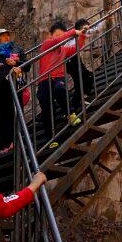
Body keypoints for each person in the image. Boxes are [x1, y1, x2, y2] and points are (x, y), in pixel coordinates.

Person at [37, 21, 84, 149]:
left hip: (58, 78)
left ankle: (70, 113)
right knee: (46, 108)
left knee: (59, 88)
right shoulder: (46, 44)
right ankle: (50, 138)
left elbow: (77, 48)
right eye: (56, 36)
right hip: (44, 81)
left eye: (61, 36)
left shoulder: (63, 50)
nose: (59, 38)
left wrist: (82, 35)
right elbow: (61, 39)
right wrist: (73, 32)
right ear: (51, 36)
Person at [0, 28, 26, 153]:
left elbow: (27, 65)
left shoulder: (16, 50)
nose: (7, 37)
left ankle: (16, 141)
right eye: (3, 35)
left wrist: (17, 62)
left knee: (14, 113)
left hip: (12, 87)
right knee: (0, 117)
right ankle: (4, 144)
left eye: (8, 35)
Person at [63, 18, 106, 112]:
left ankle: (84, 97)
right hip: (71, 60)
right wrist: (104, 20)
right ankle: (73, 108)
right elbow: (95, 30)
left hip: (71, 60)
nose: (88, 28)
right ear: (82, 27)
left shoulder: (72, 36)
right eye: (86, 26)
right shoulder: (78, 33)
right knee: (81, 81)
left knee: (86, 76)